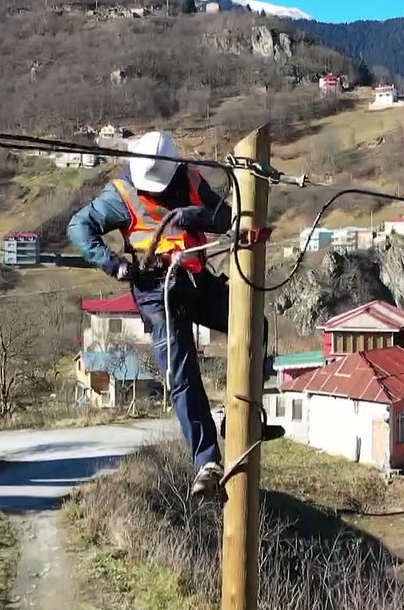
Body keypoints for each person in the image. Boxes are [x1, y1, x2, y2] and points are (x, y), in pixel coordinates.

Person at [68, 131, 273, 496]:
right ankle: (207, 460)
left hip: (194, 279)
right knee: (182, 372)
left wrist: (199, 216)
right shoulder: (122, 194)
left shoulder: (190, 177)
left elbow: (226, 217)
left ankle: (246, 416)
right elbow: (79, 227)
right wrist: (111, 263)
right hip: (156, 287)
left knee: (255, 323)